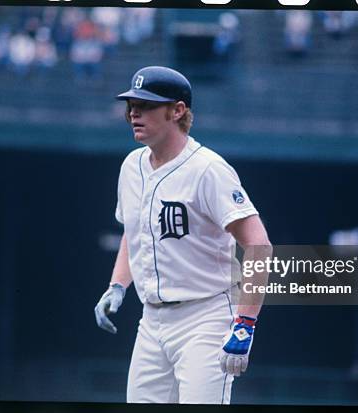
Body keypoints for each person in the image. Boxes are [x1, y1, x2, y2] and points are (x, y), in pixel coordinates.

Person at [94, 66, 272, 404]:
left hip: (204, 318)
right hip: (151, 321)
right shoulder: (131, 166)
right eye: (132, 104)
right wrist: (117, 285)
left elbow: (259, 245)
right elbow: (136, 231)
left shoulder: (208, 169)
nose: (134, 112)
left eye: (146, 105)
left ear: (177, 110)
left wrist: (245, 323)